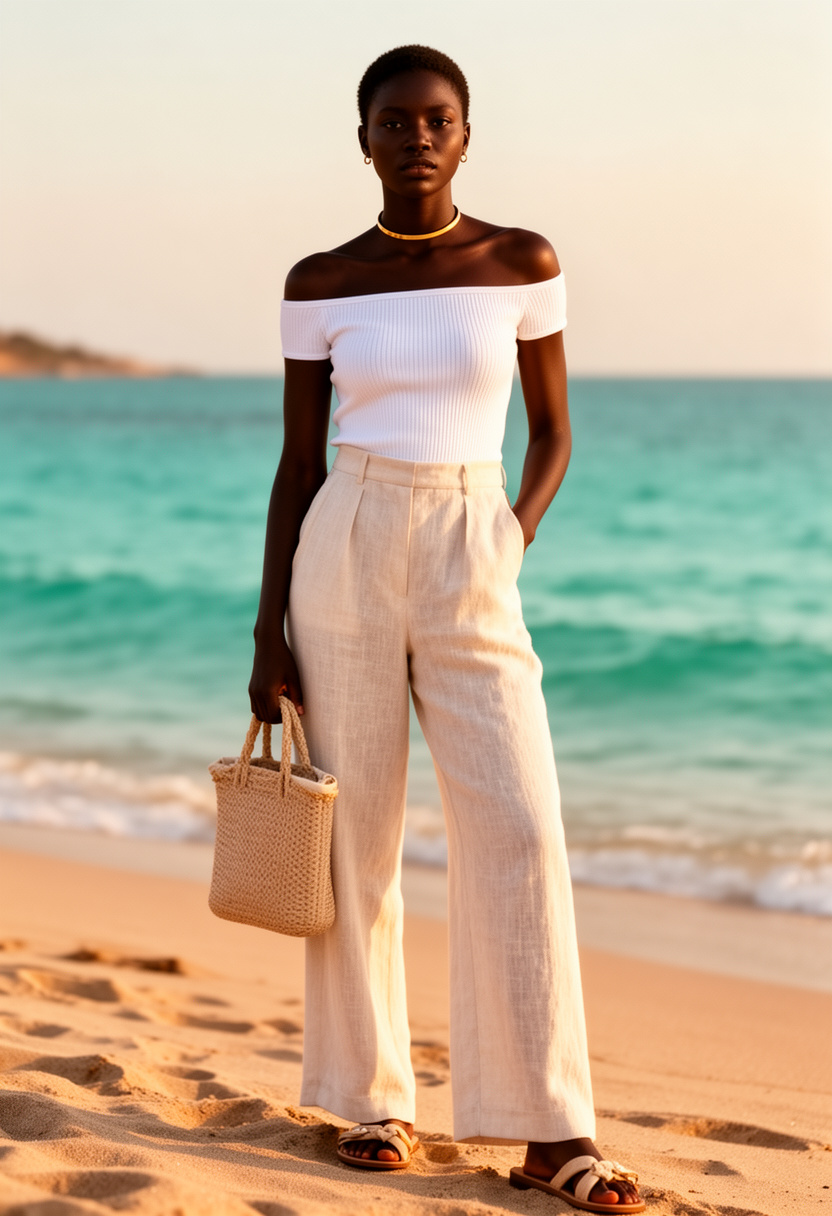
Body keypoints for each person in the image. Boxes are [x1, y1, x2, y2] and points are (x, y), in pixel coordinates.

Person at [248, 44, 644, 1213]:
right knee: (354, 834)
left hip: (475, 534)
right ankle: (373, 1099)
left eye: (439, 119)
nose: (418, 136)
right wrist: (266, 628)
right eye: (395, 120)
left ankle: (548, 1128)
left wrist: (506, 538)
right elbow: (295, 462)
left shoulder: (520, 260)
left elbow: (555, 434)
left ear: (465, 135)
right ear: (361, 137)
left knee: (518, 824)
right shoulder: (320, 281)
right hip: (347, 540)